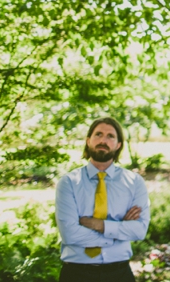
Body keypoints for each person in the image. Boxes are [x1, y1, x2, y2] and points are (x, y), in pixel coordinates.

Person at [55, 116, 150, 282]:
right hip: (76, 274)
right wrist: (119, 230)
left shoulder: (134, 182)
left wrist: (99, 225)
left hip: (120, 274)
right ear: (88, 141)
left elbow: (139, 230)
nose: (103, 140)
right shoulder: (69, 182)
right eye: (98, 134)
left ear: (119, 144)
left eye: (110, 136)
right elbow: (70, 234)